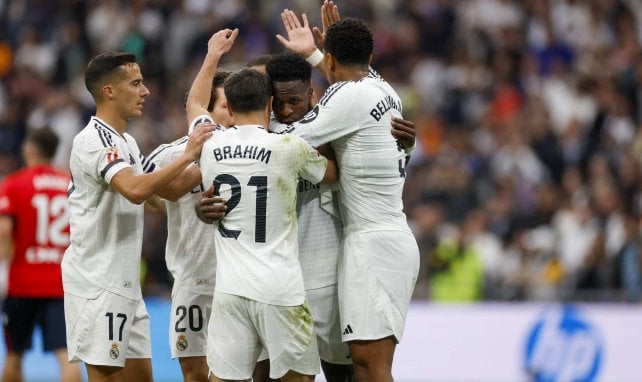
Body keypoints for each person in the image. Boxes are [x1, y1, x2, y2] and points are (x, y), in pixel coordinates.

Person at [276, 9, 420, 382]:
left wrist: (233, 137)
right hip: (388, 238)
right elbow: (348, 79)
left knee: (371, 368)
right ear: (370, 58)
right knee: (363, 366)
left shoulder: (346, 97)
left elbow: (288, 140)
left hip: (372, 245)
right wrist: (314, 53)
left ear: (333, 59)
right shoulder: (385, 90)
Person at [186, 29, 338, 382]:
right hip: (280, 288)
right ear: (270, 104)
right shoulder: (288, 146)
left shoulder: (209, 143)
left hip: (230, 290)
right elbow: (331, 175)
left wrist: (212, 55)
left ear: (229, 107)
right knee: (297, 377)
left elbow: (194, 104)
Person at [62, 51, 213, 382]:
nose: (145, 91)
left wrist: (215, 162)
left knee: (142, 376)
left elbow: (167, 191)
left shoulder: (126, 141)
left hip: (127, 284)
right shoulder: (93, 140)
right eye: (136, 83)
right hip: (97, 283)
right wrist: (188, 153)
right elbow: (134, 189)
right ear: (109, 91)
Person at [146, 69, 232, 382]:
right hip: (194, 282)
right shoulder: (169, 154)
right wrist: (174, 206)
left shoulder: (253, 149)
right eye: (225, 105)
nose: (232, 113)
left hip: (238, 281)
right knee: (195, 373)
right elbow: (142, 194)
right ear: (204, 112)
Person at [0, 128, 81, 382]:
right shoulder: (69, 184)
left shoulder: (13, 184)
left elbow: (4, 233)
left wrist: (4, 268)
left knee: (14, 355)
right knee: (67, 355)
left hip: (21, 284)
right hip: (60, 284)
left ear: (30, 149)